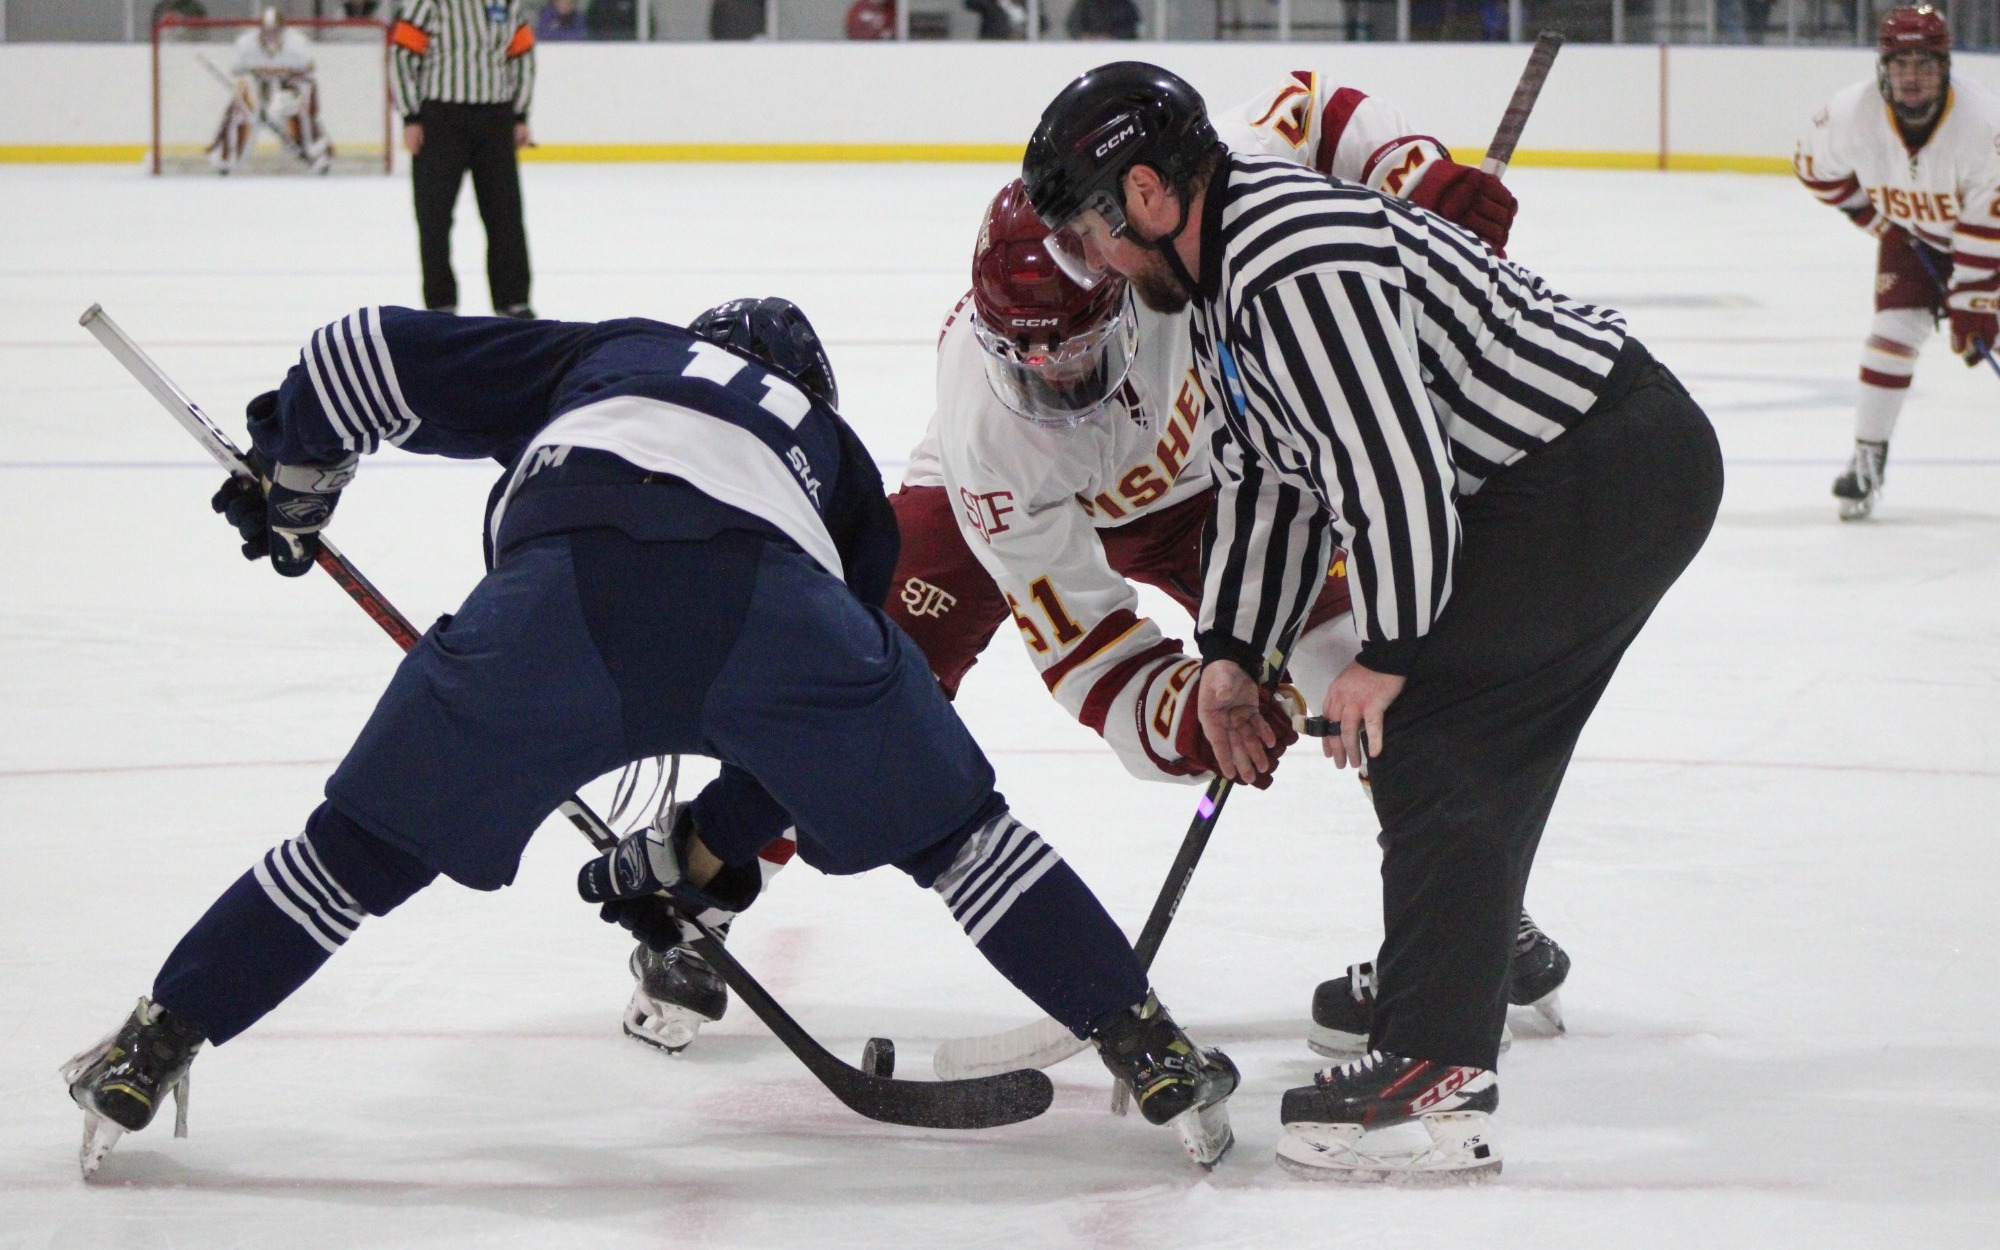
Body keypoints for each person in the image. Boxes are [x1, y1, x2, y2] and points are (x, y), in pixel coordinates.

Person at [61, 300, 1244, 1178]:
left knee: (350, 856)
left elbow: (356, 351)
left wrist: (295, 465)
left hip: (554, 605)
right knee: (965, 844)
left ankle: (154, 1040)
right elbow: (827, 701)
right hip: (775, 605)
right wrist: (704, 850)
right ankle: (1148, 1046)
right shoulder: (831, 455)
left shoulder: (611, 352)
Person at [620, 72, 1563, 1063]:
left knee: (1361, 665)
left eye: (1070, 354)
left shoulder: (1178, 202)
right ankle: (702, 886)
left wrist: (1413, 178)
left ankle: (1473, 925)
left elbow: (1315, 106)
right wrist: (1185, 710)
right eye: (1026, 361)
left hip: (1221, 485)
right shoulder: (990, 426)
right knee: (858, 671)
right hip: (1013, 503)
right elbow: (1086, 648)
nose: (1055, 383)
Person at [1021, 62, 1723, 1181]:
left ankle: (1434, 1068)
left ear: (1147, 193)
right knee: (1465, 740)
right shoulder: (1219, 286)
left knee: (1436, 725)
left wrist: (1388, 655)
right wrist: (1232, 656)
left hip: (1604, 464)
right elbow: (1268, 482)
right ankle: (1442, 991)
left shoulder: (1287, 260)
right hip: (1575, 476)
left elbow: (1387, 470)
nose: (1096, 263)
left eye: (1090, 233)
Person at [1795, 5, 2000, 521]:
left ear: (1946, 67)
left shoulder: (1985, 125)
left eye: (1925, 64)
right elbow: (1815, 171)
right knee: (1891, 336)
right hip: (1914, 239)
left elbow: (1987, 223)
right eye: (1901, 64)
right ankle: (1868, 457)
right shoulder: (1848, 115)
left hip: (1990, 238)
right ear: (1882, 68)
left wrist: (1976, 299)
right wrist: (1880, 225)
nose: (1912, 77)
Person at [390, 1, 538, 317]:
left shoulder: (506, 3)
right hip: (441, 119)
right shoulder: (428, 3)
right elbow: (402, 53)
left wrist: (520, 113)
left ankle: (513, 300)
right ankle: (441, 304)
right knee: (434, 217)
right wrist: (411, 115)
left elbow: (521, 53)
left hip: (495, 117)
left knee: (505, 215)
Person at [210, 8, 333, 176]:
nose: (270, 36)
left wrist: (299, 102)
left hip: (289, 84)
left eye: (275, 30)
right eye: (267, 31)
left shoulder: (297, 45)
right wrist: (254, 104)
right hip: (257, 83)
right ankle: (227, 156)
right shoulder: (246, 45)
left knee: (296, 110)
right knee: (242, 111)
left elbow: (308, 78)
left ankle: (314, 152)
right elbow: (239, 76)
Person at [1066, 0, 1140, 40]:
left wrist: (1112, 37)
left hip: (1118, 51)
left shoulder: (1124, 4)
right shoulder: (1085, 3)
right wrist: (1086, 36)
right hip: (1088, 50)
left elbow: (1133, 28)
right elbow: (1072, 25)